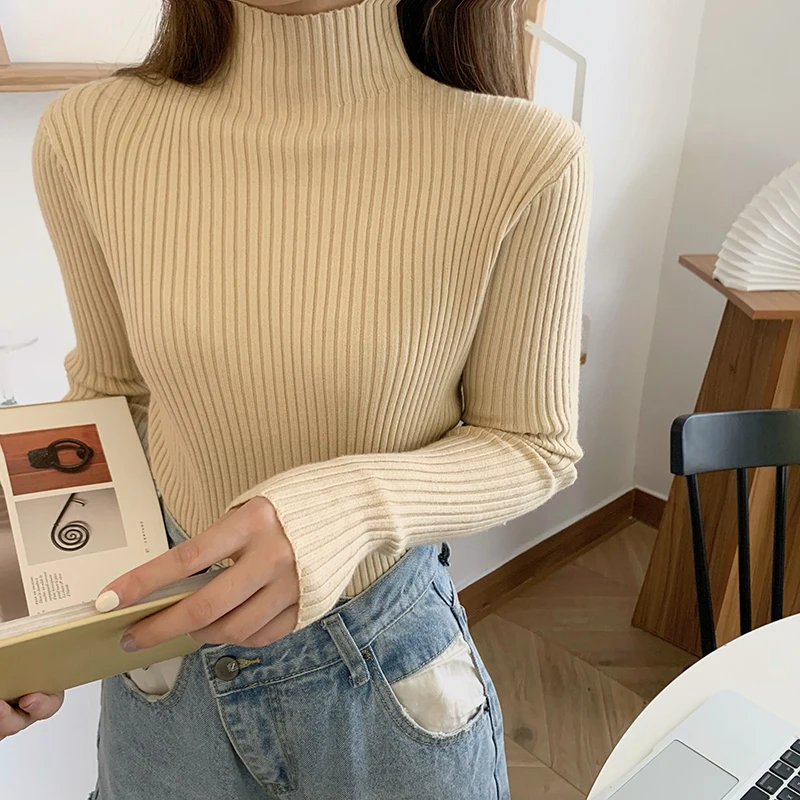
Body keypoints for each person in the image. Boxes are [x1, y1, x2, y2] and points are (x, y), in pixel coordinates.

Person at [0, 0, 590, 797]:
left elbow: (532, 443)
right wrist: (34, 612)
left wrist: (347, 508)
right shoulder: (90, 134)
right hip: (163, 672)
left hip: (384, 675)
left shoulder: (526, 155)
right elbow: (112, 397)